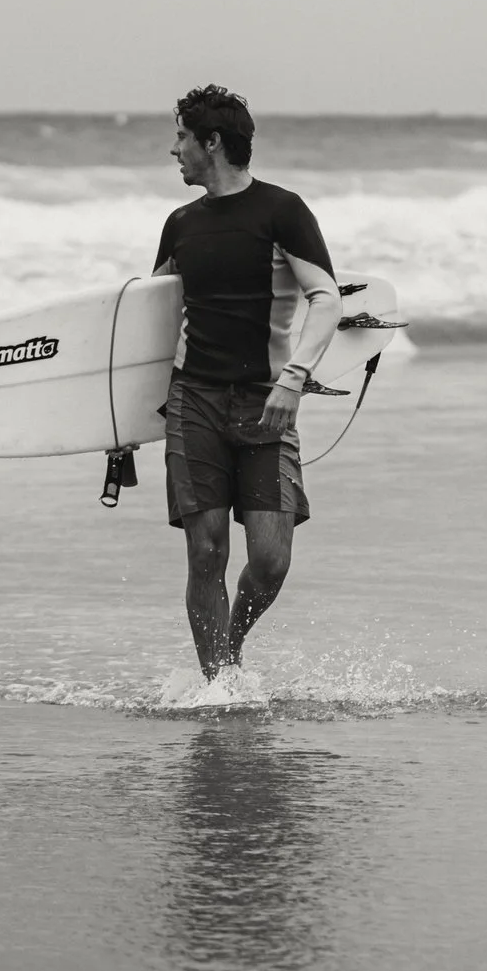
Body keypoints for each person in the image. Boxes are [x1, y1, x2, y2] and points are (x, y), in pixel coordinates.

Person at [153, 85, 340, 687]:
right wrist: (123, 426)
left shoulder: (282, 212)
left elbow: (326, 298)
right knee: (206, 550)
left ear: (211, 143)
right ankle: (219, 687)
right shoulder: (180, 224)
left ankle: (230, 650)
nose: (174, 149)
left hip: (266, 403)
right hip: (194, 401)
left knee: (270, 561)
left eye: (182, 136)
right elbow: (151, 326)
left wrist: (293, 380)